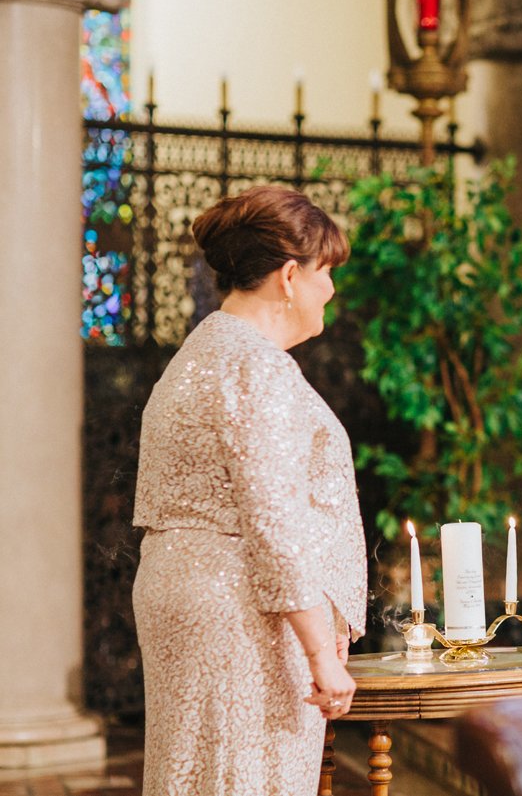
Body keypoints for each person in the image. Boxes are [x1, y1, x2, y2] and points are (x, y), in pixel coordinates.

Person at [132, 186, 367, 795]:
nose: (332, 291)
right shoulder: (255, 364)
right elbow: (272, 519)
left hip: (193, 593)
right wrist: (319, 652)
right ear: (290, 276)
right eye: (327, 273)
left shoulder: (204, 351)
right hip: (239, 613)